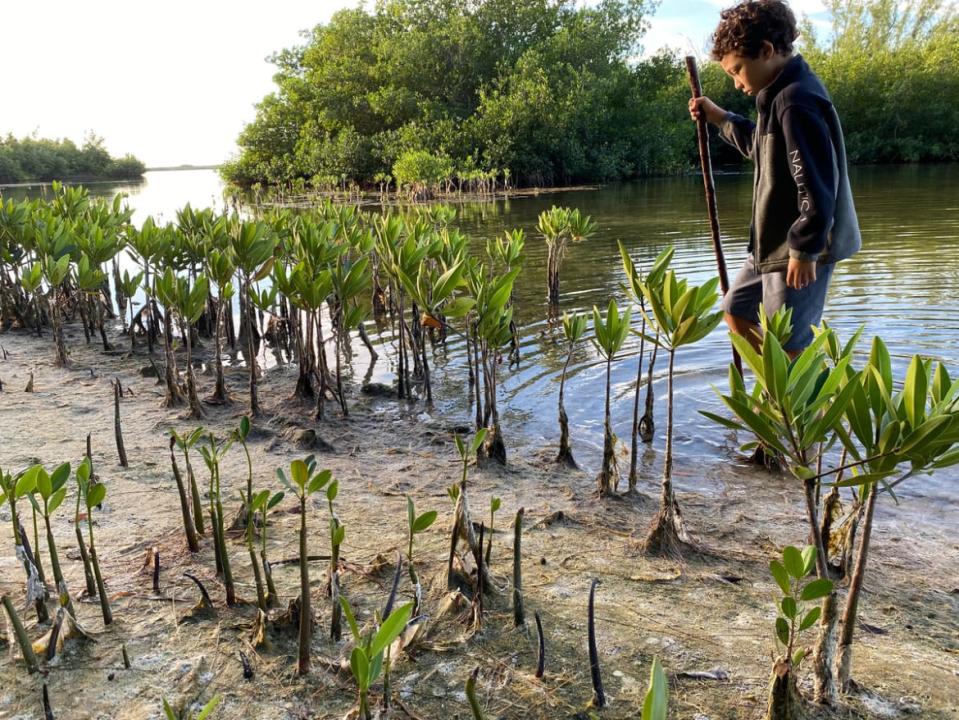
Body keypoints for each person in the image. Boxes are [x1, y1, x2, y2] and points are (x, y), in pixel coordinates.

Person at [689, 0, 861, 358]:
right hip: (772, 244)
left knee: (791, 342)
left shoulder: (796, 101)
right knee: (736, 310)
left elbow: (816, 185)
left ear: (766, 52)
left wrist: (804, 248)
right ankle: (776, 392)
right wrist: (720, 118)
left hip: (798, 247)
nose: (736, 84)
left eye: (737, 71)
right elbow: (761, 147)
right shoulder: (777, 97)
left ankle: (801, 407)